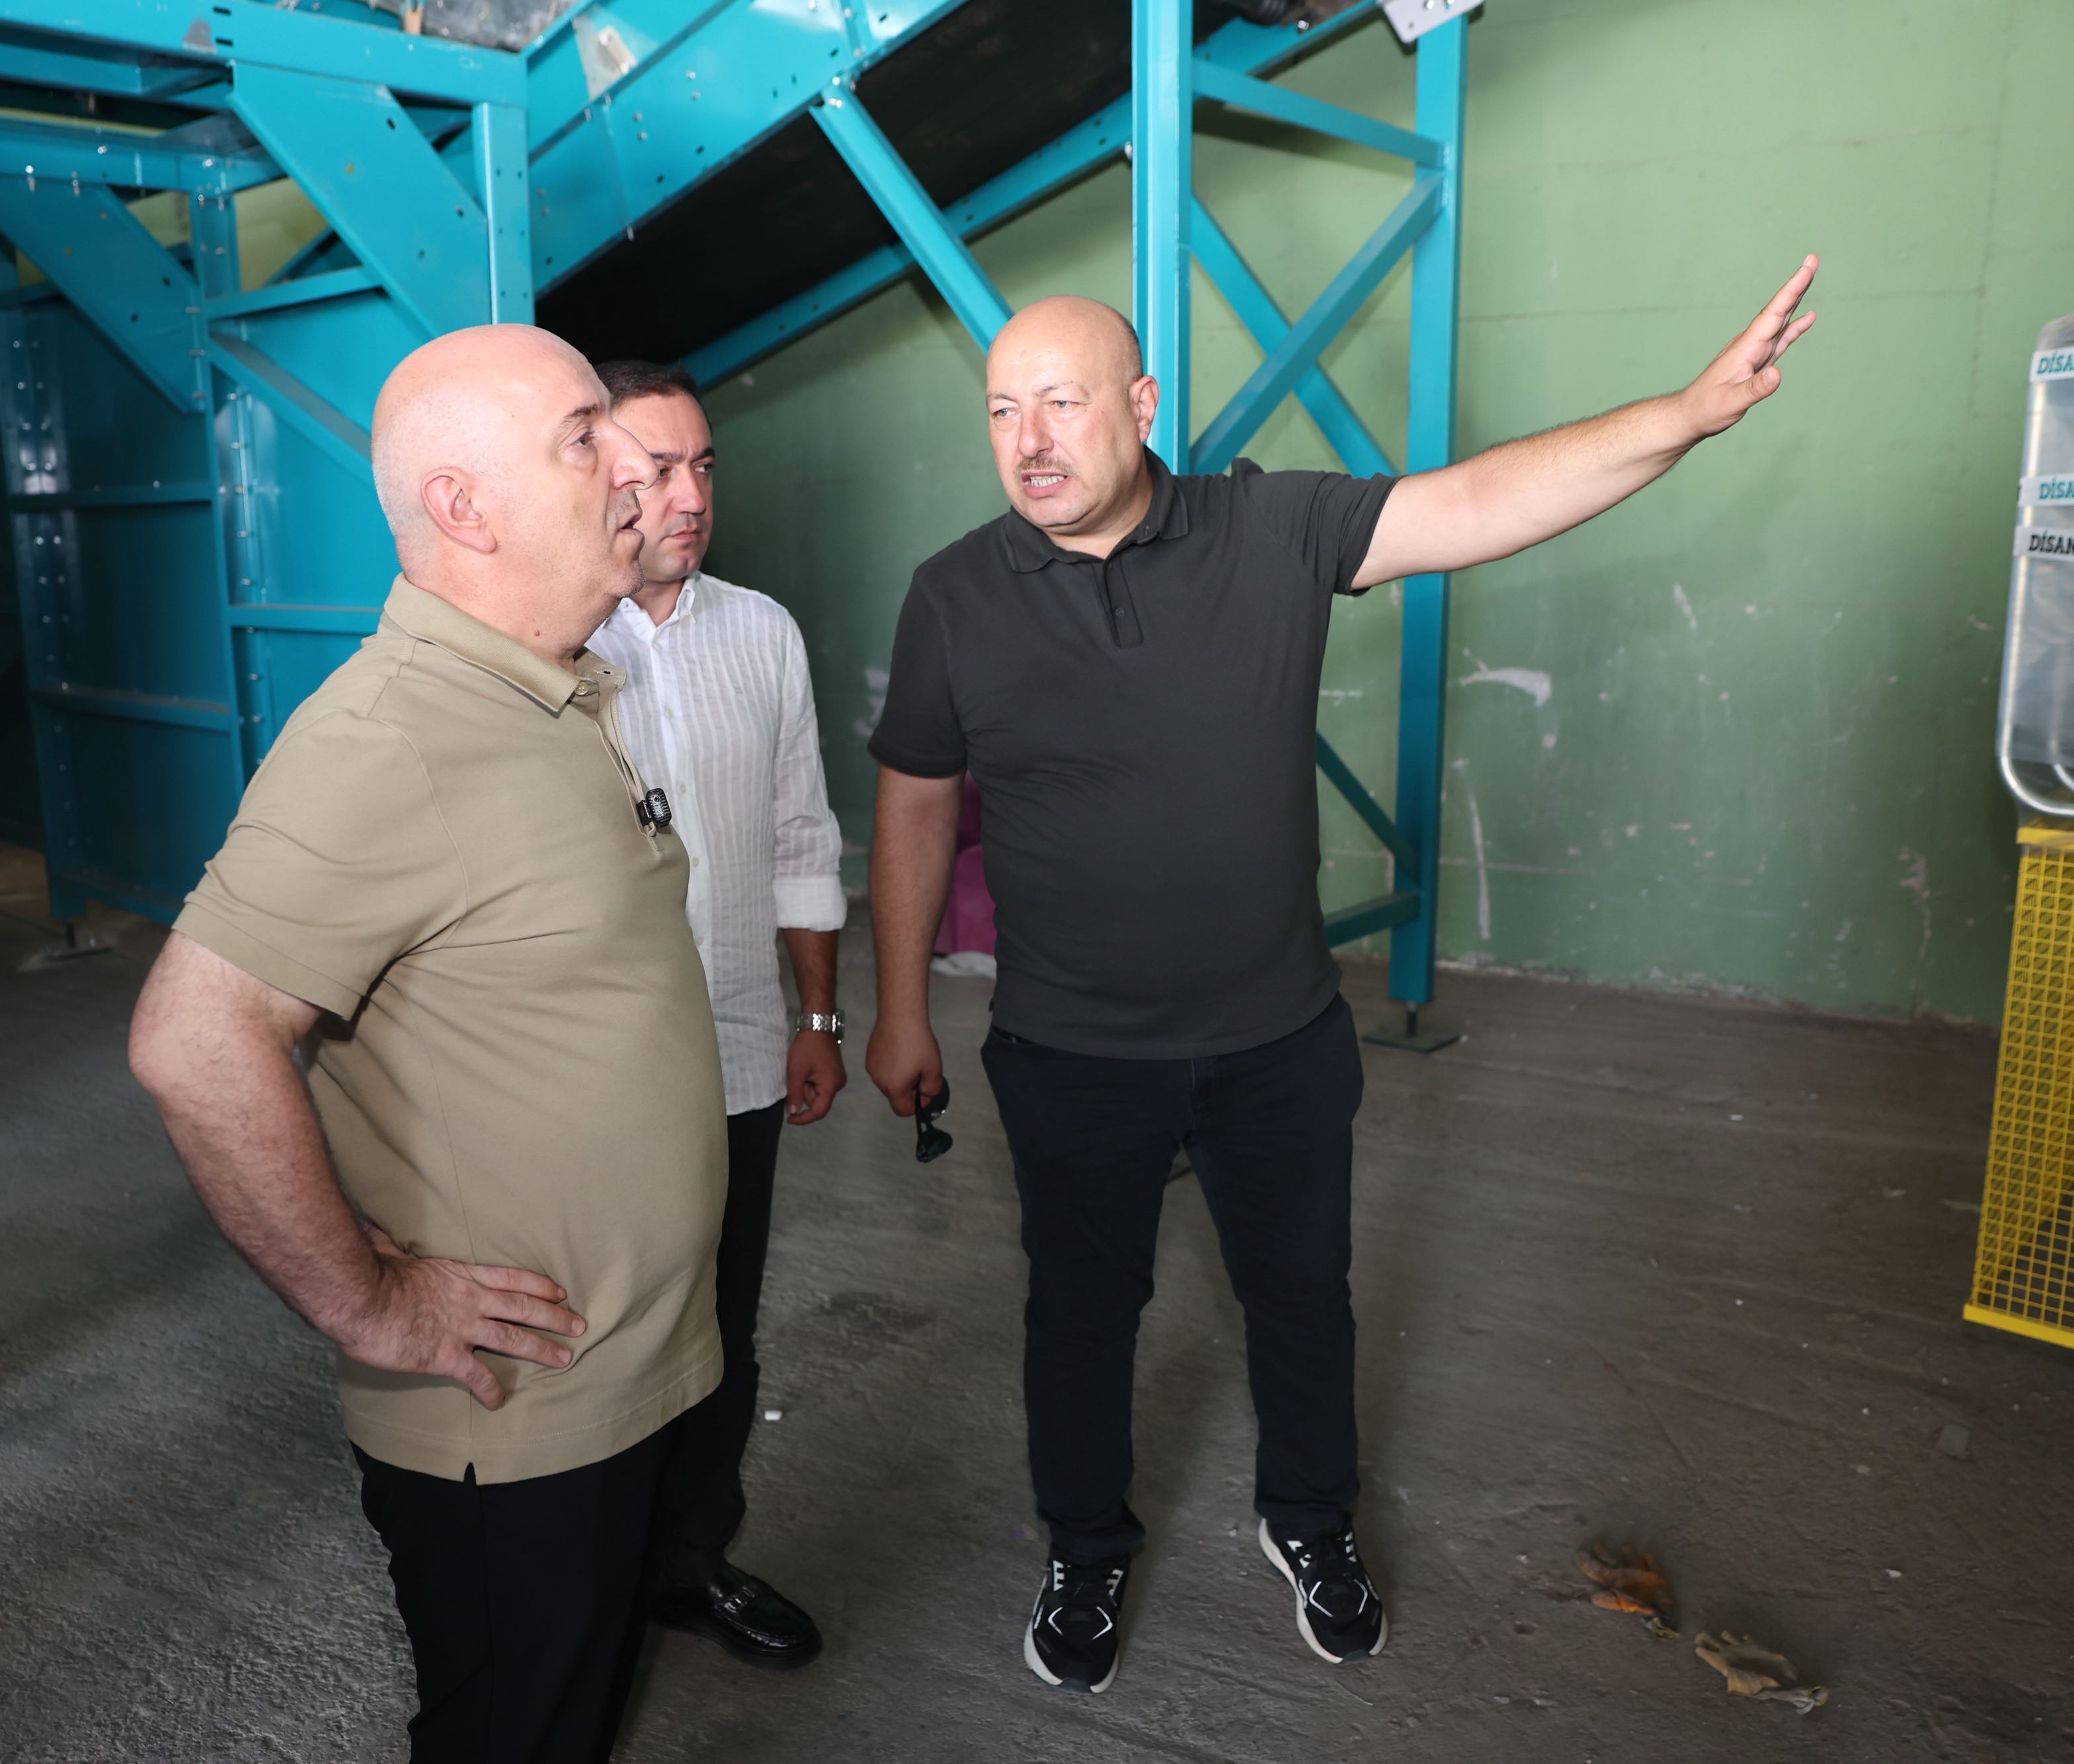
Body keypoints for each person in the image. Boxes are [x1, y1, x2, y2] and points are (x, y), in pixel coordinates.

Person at [862, 265, 1821, 1692]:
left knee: (1304, 1299)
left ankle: (1310, 1521)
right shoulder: (954, 594)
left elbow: (1482, 500)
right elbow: (916, 799)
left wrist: (1682, 414)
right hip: (1070, 1049)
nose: (1030, 439)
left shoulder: (1272, 527)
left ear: (1143, 404)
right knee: (1078, 1316)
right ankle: (1083, 1542)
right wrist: (896, 1006)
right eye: (1003, 410)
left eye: (1061, 402)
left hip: (1275, 1038)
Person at [129, 324, 727, 1763]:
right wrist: (371, 1303)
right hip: (519, 1420)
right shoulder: (392, 736)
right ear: (465, 507)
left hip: (628, 1376)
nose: (634, 468)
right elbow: (195, 1039)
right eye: (584, 438)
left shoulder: (550, 684)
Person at [583, 359, 843, 1670]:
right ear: (593, 479)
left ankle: (690, 1564)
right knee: (603, 1334)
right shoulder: (552, 648)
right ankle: (590, 1591)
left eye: (702, 467)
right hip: (598, 1078)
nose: (689, 497)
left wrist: (820, 1018)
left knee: (722, 1333)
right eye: (655, 471)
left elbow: (802, 830)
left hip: (742, 1047)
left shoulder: (764, 632)